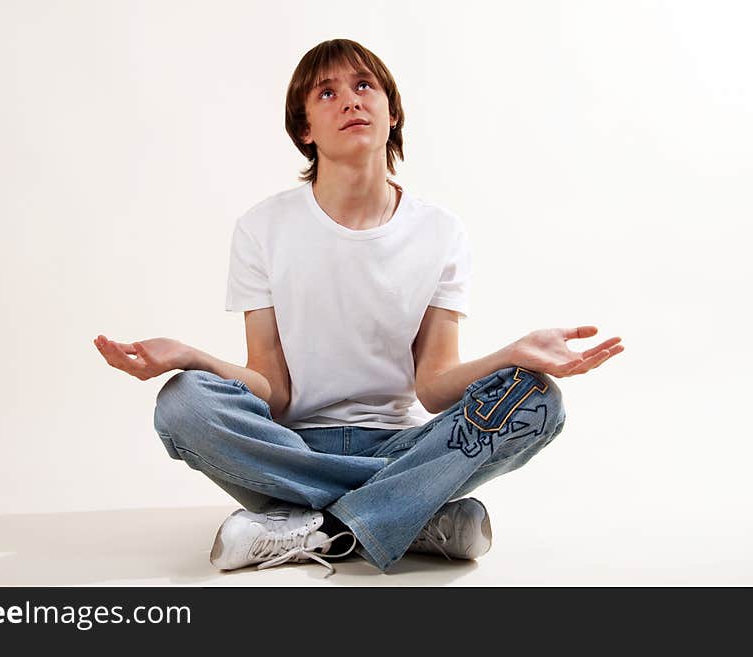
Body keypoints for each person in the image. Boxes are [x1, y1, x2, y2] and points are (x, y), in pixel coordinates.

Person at [94, 39, 623, 576]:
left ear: (392, 113)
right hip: (290, 448)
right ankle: (410, 516)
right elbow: (272, 391)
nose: (351, 101)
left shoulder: (440, 232)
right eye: (328, 93)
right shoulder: (262, 229)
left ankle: (316, 527)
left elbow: (435, 386)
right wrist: (192, 356)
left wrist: (512, 354)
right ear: (305, 130)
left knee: (537, 400)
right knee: (183, 402)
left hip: (405, 446)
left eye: (364, 86)